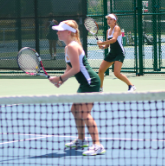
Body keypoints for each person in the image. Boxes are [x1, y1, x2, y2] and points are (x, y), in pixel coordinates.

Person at [48, 20, 106, 156]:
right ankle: (81, 140)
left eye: (60, 31)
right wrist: (61, 81)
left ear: (69, 32)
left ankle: (97, 145)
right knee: (75, 110)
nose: (57, 33)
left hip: (90, 83)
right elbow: (69, 68)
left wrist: (59, 79)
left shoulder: (73, 47)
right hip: (84, 83)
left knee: (85, 113)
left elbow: (76, 68)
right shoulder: (68, 47)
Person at [97, 14, 136, 92]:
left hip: (119, 53)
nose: (109, 21)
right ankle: (100, 88)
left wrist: (101, 43)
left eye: (111, 19)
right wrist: (103, 46)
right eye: (108, 19)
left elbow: (114, 39)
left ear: (115, 21)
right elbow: (108, 45)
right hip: (112, 53)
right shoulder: (108, 31)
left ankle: (131, 86)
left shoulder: (117, 28)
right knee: (101, 70)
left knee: (116, 73)